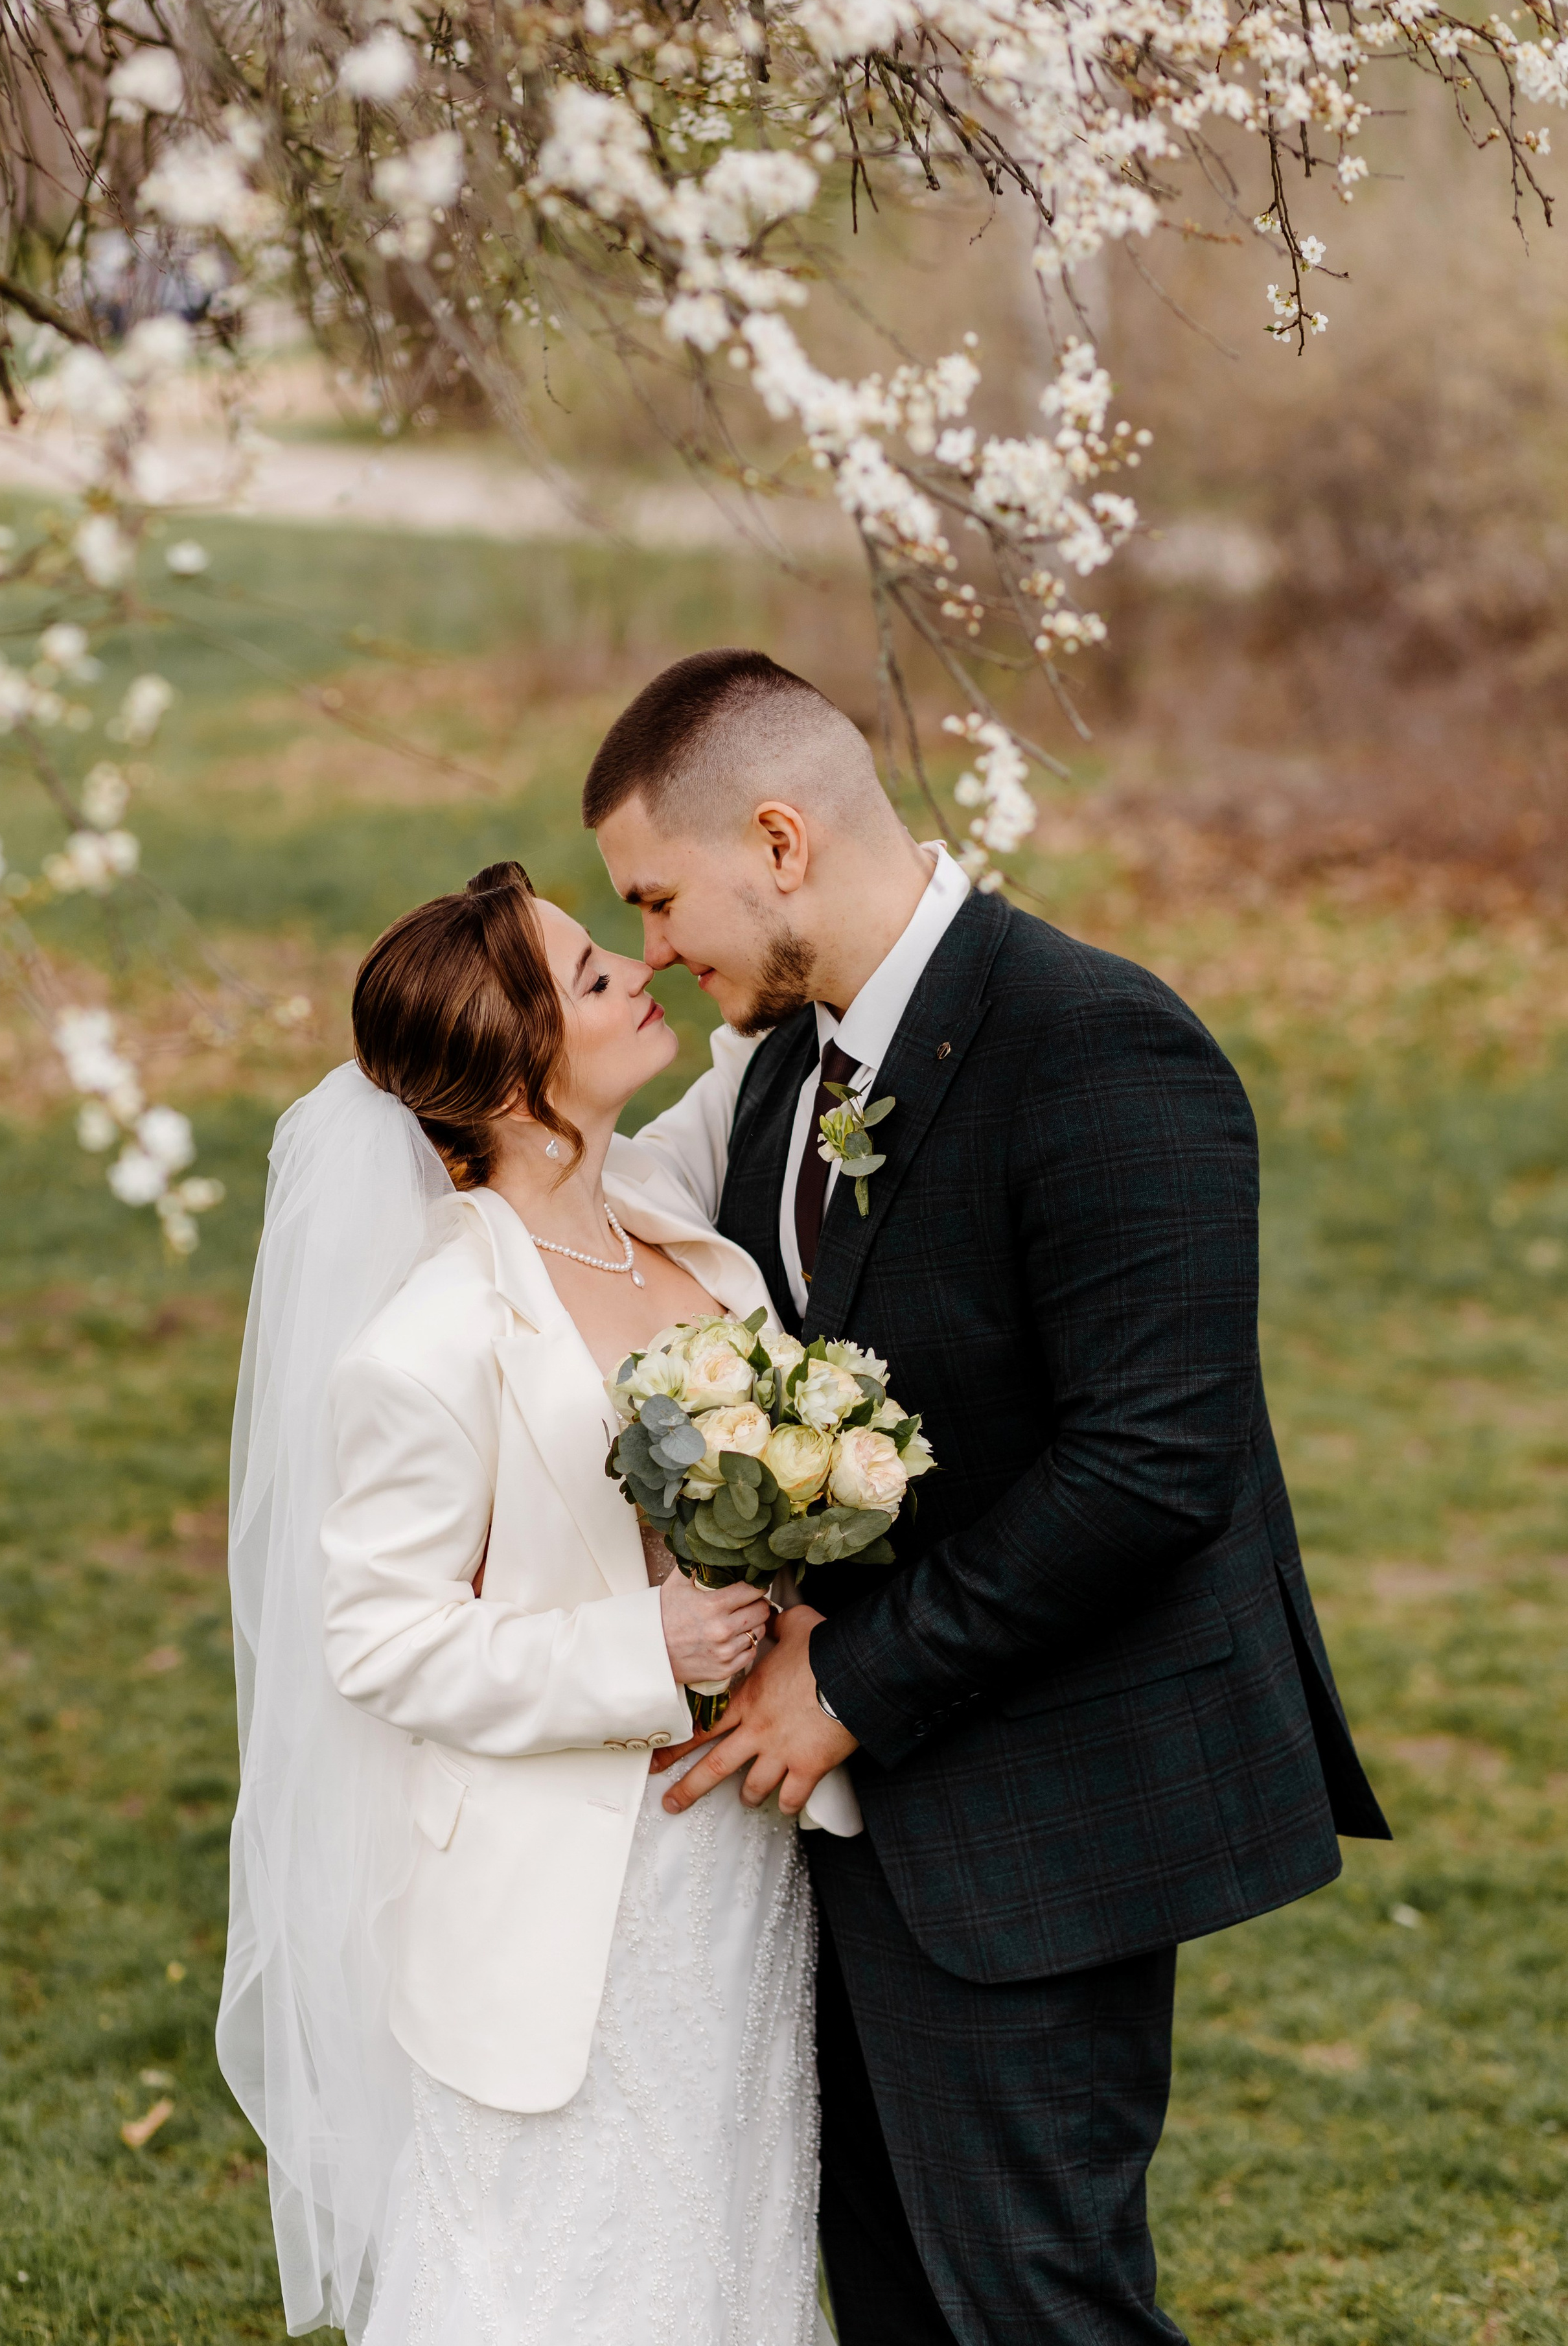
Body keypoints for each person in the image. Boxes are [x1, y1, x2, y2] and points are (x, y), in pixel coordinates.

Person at [586, 648, 1393, 2346]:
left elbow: (1154, 1464)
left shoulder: (1100, 1046)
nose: (655, 947)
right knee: (891, 2305)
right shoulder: (780, 1076)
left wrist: (851, 1685)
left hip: (1044, 1805)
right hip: (843, 1835)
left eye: (659, 898)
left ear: (782, 841)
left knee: (1037, 2311)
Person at [216, 861, 836, 2346]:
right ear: (508, 1078)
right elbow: (378, 1636)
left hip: (734, 1868)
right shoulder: (432, 1335)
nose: (636, 972)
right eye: (589, 975)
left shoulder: (681, 1242)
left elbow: (772, 1041)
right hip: (573, 1890)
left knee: (727, 2237)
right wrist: (646, 1647)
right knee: (557, 2274)